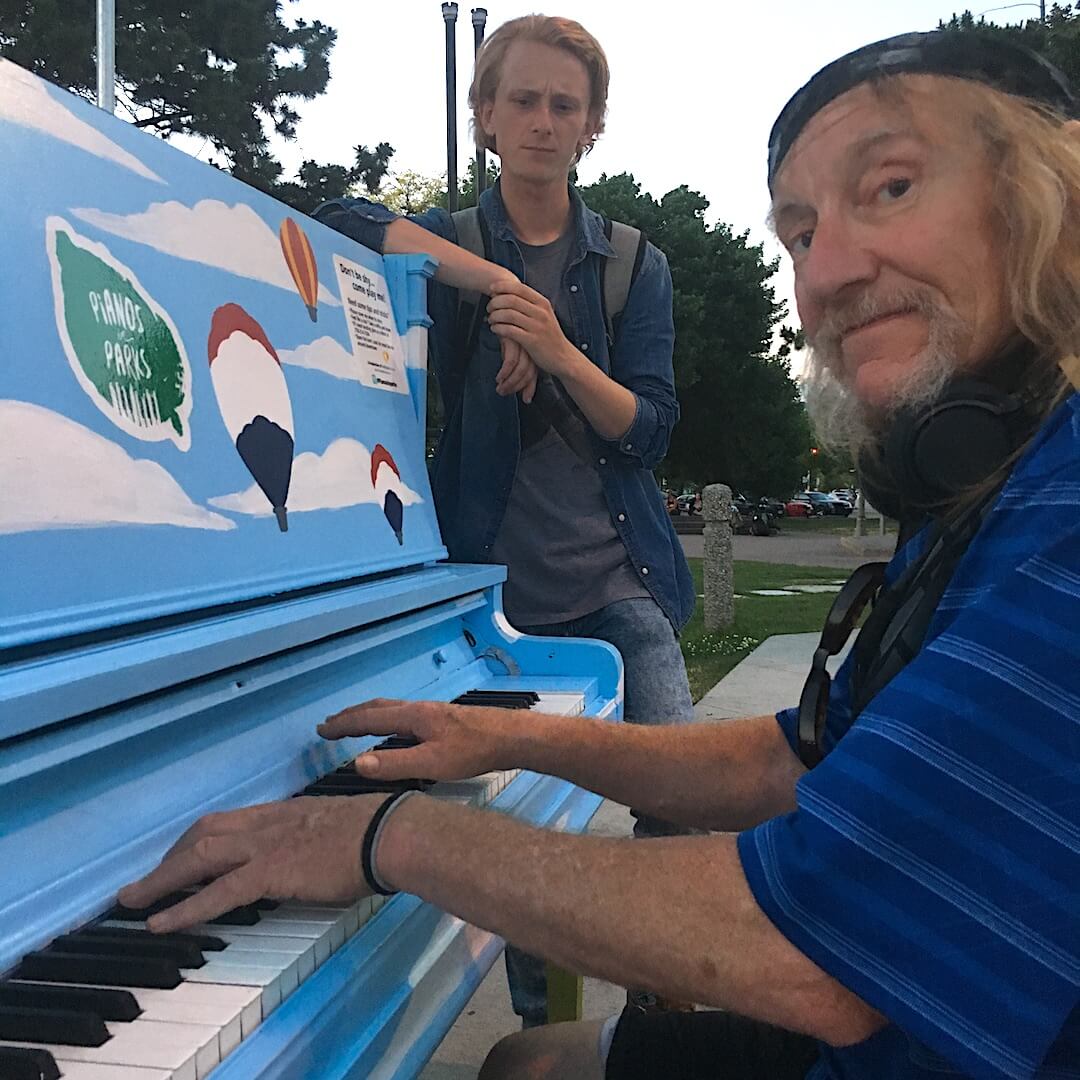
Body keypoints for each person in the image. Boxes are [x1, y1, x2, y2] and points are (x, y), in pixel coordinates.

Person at [122, 29, 1080, 1080]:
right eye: (800, 235)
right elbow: (790, 757)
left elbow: (809, 953)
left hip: (893, 1015)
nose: (832, 269)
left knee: (641, 822)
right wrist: (508, 742)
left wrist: (385, 837)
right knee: (525, 1062)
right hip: (496, 582)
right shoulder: (988, 494)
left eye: (891, 187)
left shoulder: (1059, 515)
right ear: (484, 116)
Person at [313, 14, 696, 1026]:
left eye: (563, 105)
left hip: (620, 589)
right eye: (520, 99)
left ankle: (670, 1014)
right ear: (484, 116)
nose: (540, 120)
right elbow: (337, 219)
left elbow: (647, 431)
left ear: (591, 127)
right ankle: (549, 1036)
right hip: (489, 600)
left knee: (683, 810)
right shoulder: (450, 244)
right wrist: (497, 289)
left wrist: (560, 349)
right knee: (528, 837)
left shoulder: (629, 264)